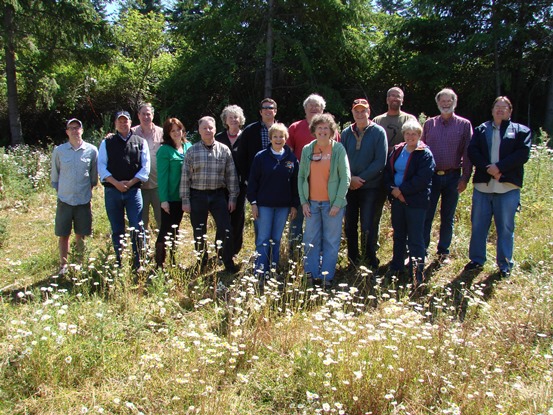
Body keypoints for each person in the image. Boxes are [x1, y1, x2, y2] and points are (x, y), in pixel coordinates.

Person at [465, 96, 532, 278]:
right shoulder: (481, 129)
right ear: (492, 109)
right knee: (478, 225)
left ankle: (504, 265)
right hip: (483, 187)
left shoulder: (521, 131)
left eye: (504, 107)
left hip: (507, 188)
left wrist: (499, 168)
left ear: (510, 111)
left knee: (505, 228)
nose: (500, 110)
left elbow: (522, 154)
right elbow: (473, 151)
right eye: (497, 107)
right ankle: (477, 260)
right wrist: (489, 168)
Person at [180, 116, 239, 273]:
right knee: (199, 230)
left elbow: (231, 175)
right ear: (199, 130)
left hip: (218, 195)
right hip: (197, 195)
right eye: (204, 128)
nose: (208, 130)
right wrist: (185, 200)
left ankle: (226, 260)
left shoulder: (224, 150)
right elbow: (185, 177)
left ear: (215, 129)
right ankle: (202, 261)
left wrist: (233, 197)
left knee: (226, 228)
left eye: (211, 128)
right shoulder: (192, 151)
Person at [298, 113, 350, 288]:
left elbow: (345, 178)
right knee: (310, 240)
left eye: (326, 128)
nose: (322, 131)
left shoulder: (338, 149)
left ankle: (327, 277)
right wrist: (303, 202)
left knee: (331, 240)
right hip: (311, 204)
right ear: (314, 130)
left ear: (332, 130)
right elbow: (301, 177)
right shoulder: (307, 149)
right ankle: (311, 275)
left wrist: (337, 202)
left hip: (332, 205)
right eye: (319, 128)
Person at [421, 88, 473, 264]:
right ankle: (423, 250)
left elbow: (468, 153)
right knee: (426, 215)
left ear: (454, 102)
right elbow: (422, 151)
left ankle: (443, 252)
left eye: (448, 101)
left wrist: (465, 177)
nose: (445, 104)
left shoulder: (464, 125)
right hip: (432, 177)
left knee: (447, 217)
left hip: (453, 177)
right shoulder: (429, 124)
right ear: (438, 103)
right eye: (442, 101)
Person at [384, 120, 435, 284]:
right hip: (397, 200)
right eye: (407, 133)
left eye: (414, 134)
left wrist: (403, 191)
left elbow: (423, 178)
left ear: (419, 135)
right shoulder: (397, 150)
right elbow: (387, 172)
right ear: (403, 134)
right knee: (398, 235)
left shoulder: (425, 154)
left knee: (415, 238)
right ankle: (396, 267)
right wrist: (394, 191)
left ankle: (417, 272)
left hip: (416, 202)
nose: (410, 136)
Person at [247, 123, 299, 283]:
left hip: (283, 206)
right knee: (263, 238)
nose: (278, 139)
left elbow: (295, 183)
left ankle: (273, 270)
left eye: (281, 136)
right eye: (275, 136)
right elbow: (253, 181)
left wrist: (294, 205)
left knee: (276, 239)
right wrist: (253, 203)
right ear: (270, 138)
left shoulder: (291, 158)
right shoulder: (261, 157)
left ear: (286, 138)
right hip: (263, 205)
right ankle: (260, 272)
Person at [98, 111, 150, 269]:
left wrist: (131, 182)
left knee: (137, 226)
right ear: (115, 123)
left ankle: (139, 262)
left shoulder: (140, 141)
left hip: (133, 192)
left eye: (125, 121)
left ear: (130, 122)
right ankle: (119, 262)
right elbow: (101, 166)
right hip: (112, 192)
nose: (123, 123)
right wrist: (116, 183)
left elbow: (145, 167)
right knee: (117, 228)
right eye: (119, 121)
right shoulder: (107, 142)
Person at [341, 98, 388, 268]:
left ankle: (369, 259)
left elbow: (380, 161)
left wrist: (360, 179)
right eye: (357, 111)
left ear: (369, 112)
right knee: (350, 225)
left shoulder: (378, 132)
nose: (360, 114)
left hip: (371, 187)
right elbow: (341, 159)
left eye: (363, 111)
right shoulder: (346, 133)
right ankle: (353, 259)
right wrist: (350, 179)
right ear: (352, 112)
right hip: (349, 187)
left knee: (368, 225)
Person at [51, 118, 98, 275]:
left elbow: (93, 177)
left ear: (82, 130)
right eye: (71, 128)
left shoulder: (91, 150)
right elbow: (55, 176)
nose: (74, 131)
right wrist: (63, 191)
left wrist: (85, 191)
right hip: (65, 200)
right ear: (67, 132)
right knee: (63, 234)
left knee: (81, 234)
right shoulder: (59, 151)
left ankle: (80, 264)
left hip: (83, 200)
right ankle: (63, 266)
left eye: (77, 128)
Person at [372, 87, 417, 253]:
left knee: (402, 214)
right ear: (386, 99)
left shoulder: (409, 119)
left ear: (402, 100)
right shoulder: (377, 120)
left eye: (397, 96)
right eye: (391, 95)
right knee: (375, 212)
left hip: (401, 176)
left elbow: (416, 143)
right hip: (379, 174)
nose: (394, 98)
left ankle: (402, 249)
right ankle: (372, 246)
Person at [286, 94, 332, 252]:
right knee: (297, 217)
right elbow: (288, 153)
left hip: (324, 183)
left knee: (319, 220)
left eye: (317, 106)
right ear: (305, 109)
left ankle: (317, 252)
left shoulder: (329, 129)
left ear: (322, 109)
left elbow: (336, 154)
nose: (313, 108)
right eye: (310, 106)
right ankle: (295, 252)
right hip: (301, 180)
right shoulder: (295, 127)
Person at [154, 118, 192, 268]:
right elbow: (162, 177)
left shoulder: (188, 146)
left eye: (179, 129)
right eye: (173, 131)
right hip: (170, 198)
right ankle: (159, 263)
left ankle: (174, 261)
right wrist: (163, 200)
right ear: (168, 134)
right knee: (166, 230)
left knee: (176, 229)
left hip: (184, 197)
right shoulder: (164, 150)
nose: (177, 133)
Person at [216, 105, 247, 257]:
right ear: (225, 121)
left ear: (241, 119)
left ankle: (234, 249)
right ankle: (220, 249)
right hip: (221, 185)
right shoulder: (218, 138)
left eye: (236, 117)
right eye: (231, 117)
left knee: (238, 217)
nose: (234, 120)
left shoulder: (246, 137)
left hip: (241, 185)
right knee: (222, 217)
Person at [132, 103, 164, 231]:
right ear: (138, 116)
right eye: (143, 114)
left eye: (148, 114)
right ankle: (143, 248)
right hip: (139, 186)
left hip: (158, 184)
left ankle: (163, 248)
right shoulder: (131, 132)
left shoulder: (162, 132)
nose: (146, 117)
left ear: (153, 115)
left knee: (162, 220)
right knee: (141, 222)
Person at [237, 98, 278, 185]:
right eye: (265, 108)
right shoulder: (249, 130)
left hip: (277, 176)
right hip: (256, 178)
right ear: (260, 112)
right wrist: (247, 177)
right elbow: (241, 156)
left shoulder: (282, 130)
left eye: (270, 108)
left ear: (275, 111)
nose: (268, 110)